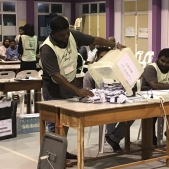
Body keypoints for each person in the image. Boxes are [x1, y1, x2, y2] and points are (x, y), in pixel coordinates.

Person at [39, 15, 125, 167]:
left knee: (64, 123)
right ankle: (55, 158)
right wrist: (78, 90)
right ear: (52, 33)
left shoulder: (73, 35)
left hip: (69, 83)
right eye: (61, 35)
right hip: (53, 88)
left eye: (66, 33)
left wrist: (114, 45)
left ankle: (62, 151)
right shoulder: (47, 49)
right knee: (54, 124)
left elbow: (95, 40)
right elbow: (56, 76)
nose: (65, 37)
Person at [83, 46, 133, 153]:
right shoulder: (89, 74)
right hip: (99, 106)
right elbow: (86, 94)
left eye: (107, 57)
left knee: (133, 114)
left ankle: (113, 137)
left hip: (116, 103)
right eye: (101, 57)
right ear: (97, 59)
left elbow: (126, 90)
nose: (104, 60)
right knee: (110, 113)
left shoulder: (118, 73)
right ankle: (112, 138)